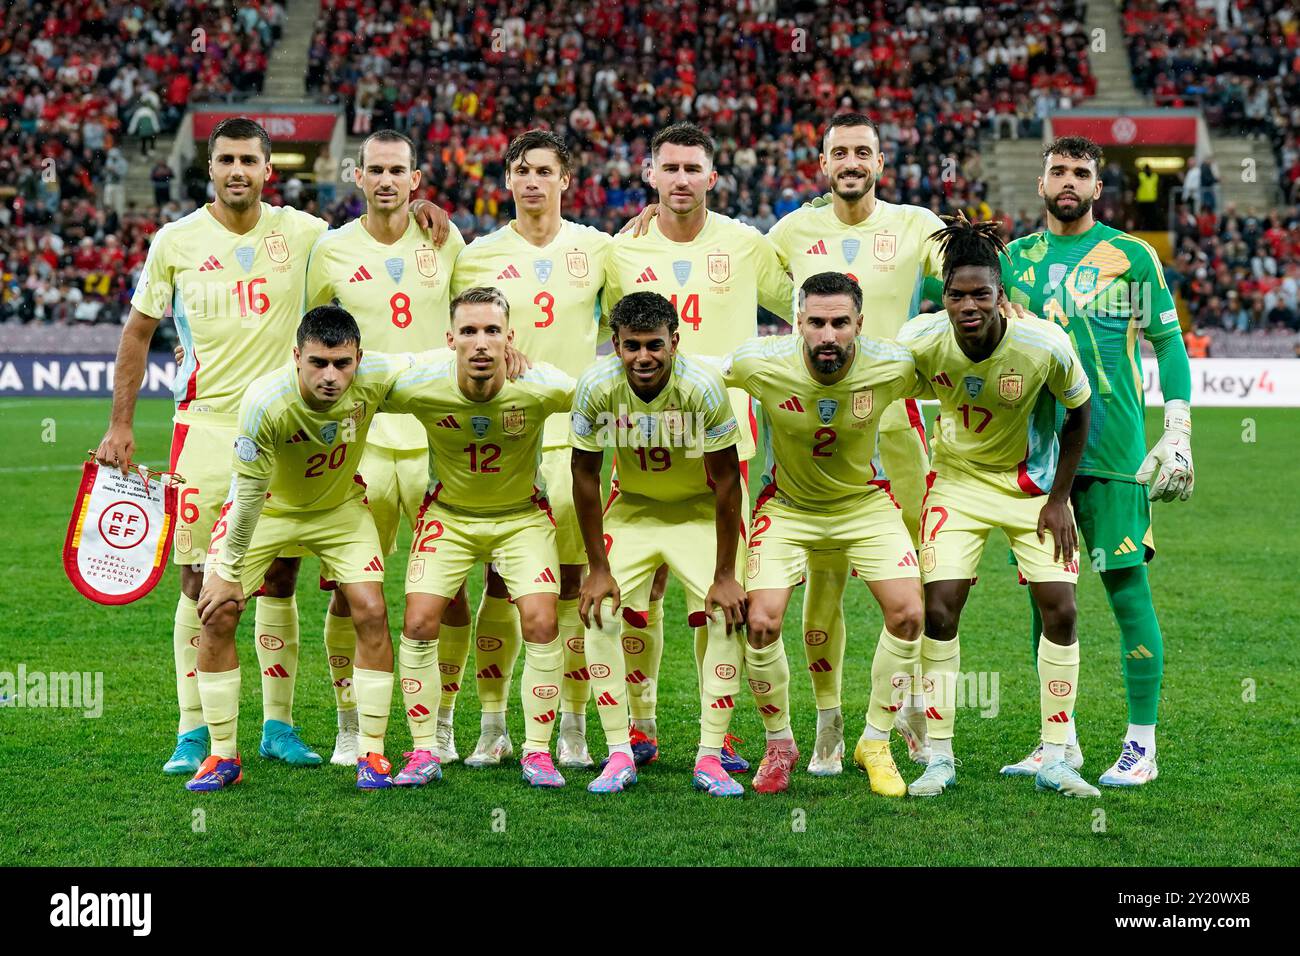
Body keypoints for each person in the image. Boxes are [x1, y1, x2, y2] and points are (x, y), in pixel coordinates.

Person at [92, 116, 450, 776]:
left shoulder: (305, 234)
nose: (237, 170)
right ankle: (193, 730)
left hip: (292, 431)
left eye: (249, 160)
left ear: (267, 169)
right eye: (225, 158)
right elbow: (138, 332)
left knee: (280, 576)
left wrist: (418, 208)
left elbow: (373, 228)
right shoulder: (174, 241)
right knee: (200, 580)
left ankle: (278, 725)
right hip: (205, 426)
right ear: (210, 167)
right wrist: (121, 424)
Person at [1001, 136, 1194, 787]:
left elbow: (1168, 343)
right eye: (1057, 169)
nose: (1067, 180)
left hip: (1113, 456)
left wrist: (1180, 428)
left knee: (1125, 591)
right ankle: (1060, 741)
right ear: (1040, 181)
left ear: (1095, 186)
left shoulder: (1131, 256)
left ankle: (1142, 747)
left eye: (1080, 172)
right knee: (1046, 598)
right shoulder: (1014, 259)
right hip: (1038, 457)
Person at [608, 122, 793, 772]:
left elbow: (807, 303)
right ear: (649, 174)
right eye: (670, 168)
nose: (681, 179)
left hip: (724, 442)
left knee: (717, 594)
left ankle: (723, 730)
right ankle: (639, 723)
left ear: (713, 177)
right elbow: (584, 319)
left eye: (693, 168)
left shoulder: (746, 244)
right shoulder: (619, 251)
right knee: (640, 595)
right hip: (639, 440)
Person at [765, 111, 946, 774]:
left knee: (914, 578)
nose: (851, 161)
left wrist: (1001, 291)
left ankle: (913, 709)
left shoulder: (914, 223)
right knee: (825, 578)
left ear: (879, 162)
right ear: (822, 163)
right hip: (815, 432)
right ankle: (829, 724)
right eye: (839, 151)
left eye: (862, 151)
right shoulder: (791, 231)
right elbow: (731, 273)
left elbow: (963, 264)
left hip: (896, 429)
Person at [898, 212, 1098, 799]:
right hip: (957, 484)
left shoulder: (1043, 343)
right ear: (944, 297)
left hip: (1032, 490)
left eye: (980, 293)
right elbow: (879, 382)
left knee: (1060, 610)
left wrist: (1061, 498)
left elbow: (1080, 409)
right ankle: (939, 758)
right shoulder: (922, 339)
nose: (968, 305)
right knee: (940, 611)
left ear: (1000, 297)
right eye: (956, 294)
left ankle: (1058, 757)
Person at [188, 306, 417, 791]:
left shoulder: (375, 376)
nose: (331, 376)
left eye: (341, 363)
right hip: (268, 509)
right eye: (317, 363)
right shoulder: (265, 401)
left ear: (359, 358)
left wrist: (497, 352)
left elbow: (435, 364)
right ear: (296, 356)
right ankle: (222, 755)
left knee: (372, 610)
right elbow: (247, 496)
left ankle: (371, 753)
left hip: (339, 509)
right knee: (219, 610)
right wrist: (227, 571)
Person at [443, 129, 612, 770]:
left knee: (570, 587)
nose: (533, 180)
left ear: (565, 180)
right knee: (499, 585)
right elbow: (446, 330)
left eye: (545, 170)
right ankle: (491, 725)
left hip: (574, 438)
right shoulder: (477, 254)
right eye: (522, 170)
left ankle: (570, 725)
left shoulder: (599, 249)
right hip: (500, 440)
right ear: (507, 181)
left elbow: (633, 320)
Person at [722, 271, 927, 796]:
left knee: (909, 613)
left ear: (860, 323)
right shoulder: (759, 363)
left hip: (865, 503)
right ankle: (780, 743)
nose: (828, 335)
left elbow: (960, 358)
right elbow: (690, 370)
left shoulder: (893, 364)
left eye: (840, 323)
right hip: (788, 508)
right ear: (798, 323)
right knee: (762, 623)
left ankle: (875, 741)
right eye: (816, 322)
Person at [304, 129, 464, 767]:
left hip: (436, 438)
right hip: (359, 440)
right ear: (360, 178)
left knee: (447, 589)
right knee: (351, 587)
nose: (388, 180)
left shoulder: (445, 240)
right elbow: (309, 331)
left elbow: (478, 316)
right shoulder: (332, 249)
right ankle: (349, 723)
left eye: (399, 170)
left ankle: (444, 723)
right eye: (376, 170)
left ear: (417, 178)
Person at [385, 287, 577, 788]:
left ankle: (538, 751)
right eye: (468, 331)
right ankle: (424, 749)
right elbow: (360, 379)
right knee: (420, 619)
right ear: (451, 338)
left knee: (540, 620)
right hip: (449, 516)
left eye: (492, 330)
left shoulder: (541, 385)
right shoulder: (421, 385)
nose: (481, 342)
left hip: (521, 517)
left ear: (510, 337)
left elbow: (601, 398)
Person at [572, 291, 748, 796]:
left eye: (654, 345)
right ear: (616, 344)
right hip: (635, 508)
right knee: (601, 609)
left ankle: (710, 758)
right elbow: (584, 475)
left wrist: (724, 575)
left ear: (675, 341)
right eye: (631, 346)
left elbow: (727, 481)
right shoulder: (596, 386)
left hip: (697, 508)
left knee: (725, 612)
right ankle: (619, 755)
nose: (643, 357)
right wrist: (598, 567)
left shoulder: (703, 387)